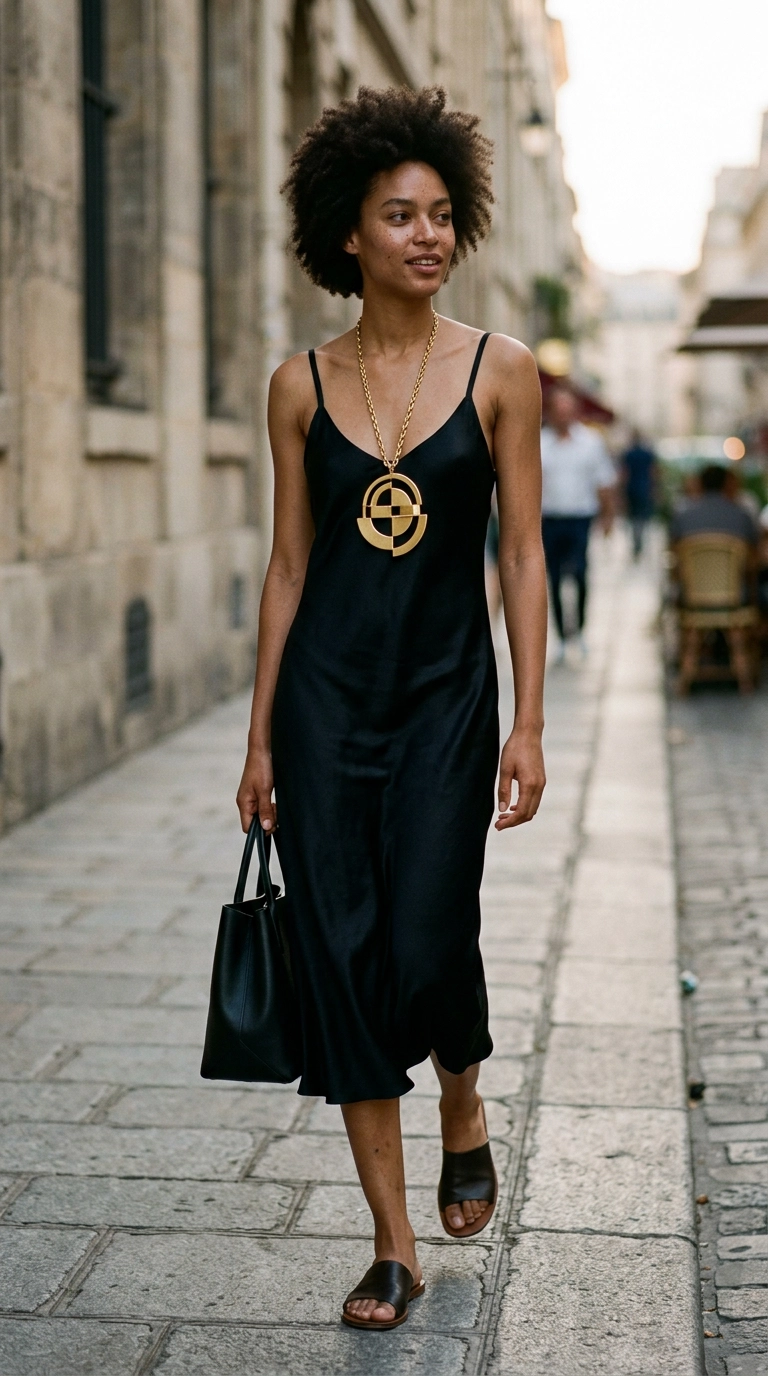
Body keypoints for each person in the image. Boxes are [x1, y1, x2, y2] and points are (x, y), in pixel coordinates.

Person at [235, 86, 547, 1331]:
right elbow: (288, 567)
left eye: (440, 214)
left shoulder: (501, 370)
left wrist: (529, 721)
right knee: (344, 956)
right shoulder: (299, 385)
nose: (427, 235)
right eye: (399, 215)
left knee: (428, 935)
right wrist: (260, 735)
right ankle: (393, 1243)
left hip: (444, 705)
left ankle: (462, 1097)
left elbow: (521, 552)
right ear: (348, 235)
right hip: (324, 708)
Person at [540, 386, 615, 661]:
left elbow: (604, 481)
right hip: (549, 519)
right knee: (554, 578)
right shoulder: (540, 443)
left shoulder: (591, 442)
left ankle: (580, 630)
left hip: (580, 518)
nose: (563, 415)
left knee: (581, 575)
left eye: (567, 409)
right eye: (558, 410)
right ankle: (561, 636)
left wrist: (608, 516)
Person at [669, 464, 759, 546]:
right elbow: (754, 550)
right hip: (733, 559)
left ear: (701, 485)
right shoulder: (743, 518)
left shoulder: (683, 517)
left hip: (694, 559)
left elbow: (674, 548)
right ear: (726, 485)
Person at [621, 429, 657, 558]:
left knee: (634, 517)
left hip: (632, 489)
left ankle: (636, 540)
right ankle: (639, 540)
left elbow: (625, 473)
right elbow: (653, 472)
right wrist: (655, 489)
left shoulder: (628, 454)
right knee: (642, 517)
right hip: (644, 488)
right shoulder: (647, 454)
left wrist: (622, 492)